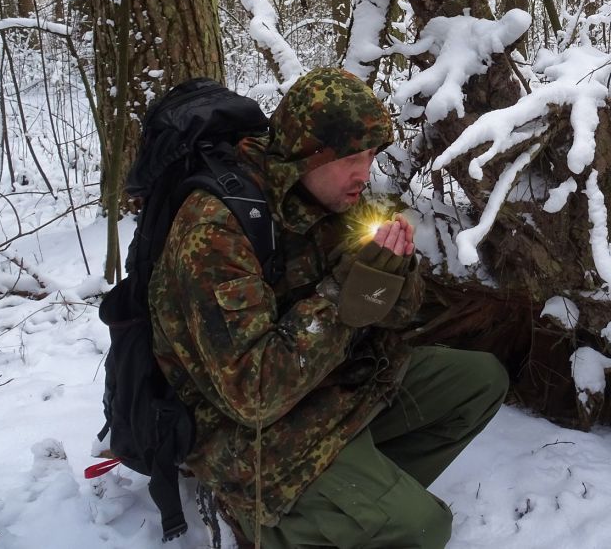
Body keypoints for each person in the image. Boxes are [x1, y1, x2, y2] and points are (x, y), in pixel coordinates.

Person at [148, 67, 508, 549]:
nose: (365, 172)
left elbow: (398, 319)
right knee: (421, 528)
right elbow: (252, 395)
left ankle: (350, 500)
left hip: (328, 387)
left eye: (372, 155)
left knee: (479, 382)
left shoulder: (340, 197)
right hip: (241, 435)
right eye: (351, 158)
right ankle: (263, 519)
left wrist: (392, 279)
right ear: (304, 155)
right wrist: (342, 298)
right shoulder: (215, 229)